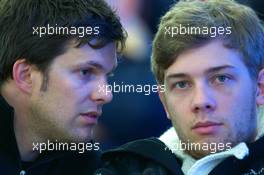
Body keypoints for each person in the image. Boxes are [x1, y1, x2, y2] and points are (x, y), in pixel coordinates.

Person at [95, 0, 264, 174]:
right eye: (181, 84)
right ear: (164, 101)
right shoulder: (124, 169)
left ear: (260, 87)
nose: (201, 101)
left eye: (221, 78)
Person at [0, 0, 126, 174]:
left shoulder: (85, 161)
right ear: (26, 76)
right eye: (85, 72)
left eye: (107, 76)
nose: (106, 95)